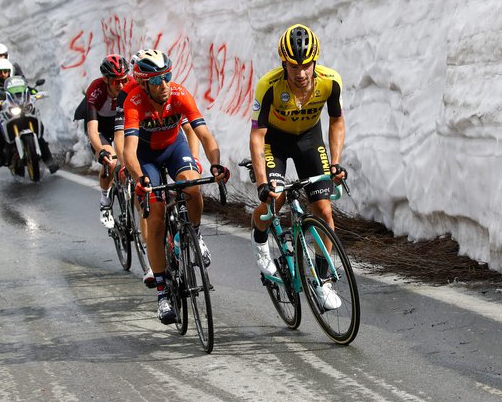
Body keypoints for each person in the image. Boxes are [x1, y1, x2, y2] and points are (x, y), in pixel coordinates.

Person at [122, 49, 229, 324]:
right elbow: (129, 151)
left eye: (167, 76)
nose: (165, 84)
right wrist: (139, 178)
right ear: (144, 84)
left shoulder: (179, 94)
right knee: (155, 218)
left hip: (173, 147)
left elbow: (203, 133)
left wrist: (215, 164)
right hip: (146, 159)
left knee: (192, 187)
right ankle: (162, 294)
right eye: (157, 80)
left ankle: (192, 233)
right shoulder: (134, 102)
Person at [249, 23, 348, 310]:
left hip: (308, 138)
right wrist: (261, 182)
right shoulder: (269, 86)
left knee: (324, 210)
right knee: (275, 199)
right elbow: (257, 135)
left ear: (315, 61)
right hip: (274, 143)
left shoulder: (330, 81)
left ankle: (322, 279)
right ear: (284, 63)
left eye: (307, 65)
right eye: (294, 66)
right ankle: (259, 239)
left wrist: (336, 161)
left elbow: (337, 121)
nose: (301, 73)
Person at [84, 54, 133, 229]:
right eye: (115, 81)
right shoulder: (96, 90)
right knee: (110, 162)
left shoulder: (131, 85)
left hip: (123, 124)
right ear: (105, 79)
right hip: (101, 128)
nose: (121, 85)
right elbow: (92, 129)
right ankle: (105, 200)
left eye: (124, 80)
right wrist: (100, 150)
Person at [0, 59, 58, 173]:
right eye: (0, 72)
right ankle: (1, 155)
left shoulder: (17, 82)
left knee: (40, 135)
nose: (4, 74)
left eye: (5, 72)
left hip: (20, 109)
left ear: (10, 71)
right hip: (5, 112)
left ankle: (50, 162)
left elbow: (27, 89)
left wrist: (34, 92)